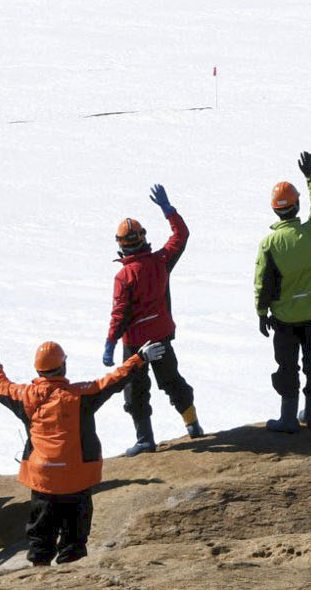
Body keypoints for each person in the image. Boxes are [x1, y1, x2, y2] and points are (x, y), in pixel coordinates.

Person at [0, 338, 152, 566]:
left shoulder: (25, 397)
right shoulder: (81, 395)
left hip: (43, 480)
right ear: (63, 366)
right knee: (74, 538)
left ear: (38, 369)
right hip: (76, 479)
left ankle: (39, 572)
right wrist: (139, 358)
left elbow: (1, 387)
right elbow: (114, 380)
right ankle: (70, 572)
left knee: (41, 535)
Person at [105, 183, 203, 457]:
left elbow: (120, 313)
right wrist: (168, 210)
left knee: (135, 390)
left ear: (121, 245)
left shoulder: (124, 277)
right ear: (143, 239)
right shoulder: (160, 261)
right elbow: (181, 236)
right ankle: (192, 423)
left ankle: (145, 439)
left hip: (136, 344)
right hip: (161, 336)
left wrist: (110, 343)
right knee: (172, 380)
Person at [255, 154, 311, 433]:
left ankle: (288, 418)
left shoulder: (270, 243)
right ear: (297, 205)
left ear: (276, 210)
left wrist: (261, 313)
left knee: (287, 366)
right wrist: (310, 178)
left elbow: (262, 282)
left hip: (285, 318)